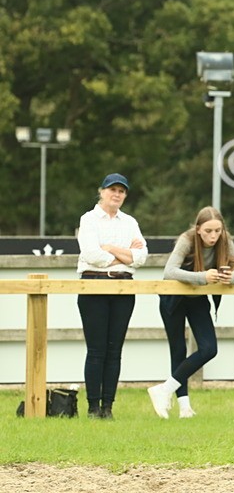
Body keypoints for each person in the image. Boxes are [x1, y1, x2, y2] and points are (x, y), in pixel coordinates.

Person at [148, 207, 234, 419]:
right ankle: (184, 407)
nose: (213, 236)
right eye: (209, 231)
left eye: (218, 231)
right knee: (178, 349)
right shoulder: (187, 240)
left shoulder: (225, 241)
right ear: (198, 229)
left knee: (209, 348)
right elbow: (169, 271)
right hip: (173, 298)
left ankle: (164, 390)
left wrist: (232, 278)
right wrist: (202, 277)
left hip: (198, 299)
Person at [76, 173, 148, 419]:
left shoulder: (129, 222)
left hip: (123, 287)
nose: (116, 194)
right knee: (96, 350)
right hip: (94, 285)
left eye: (121, 191)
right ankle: (93, 407)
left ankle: (108, 407)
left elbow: (141, 257)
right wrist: (124, 256)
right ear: (102, 191)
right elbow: (91, 254)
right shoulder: (88, 219)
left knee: (114, 349)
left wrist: (112, 250)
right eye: (112, 189)